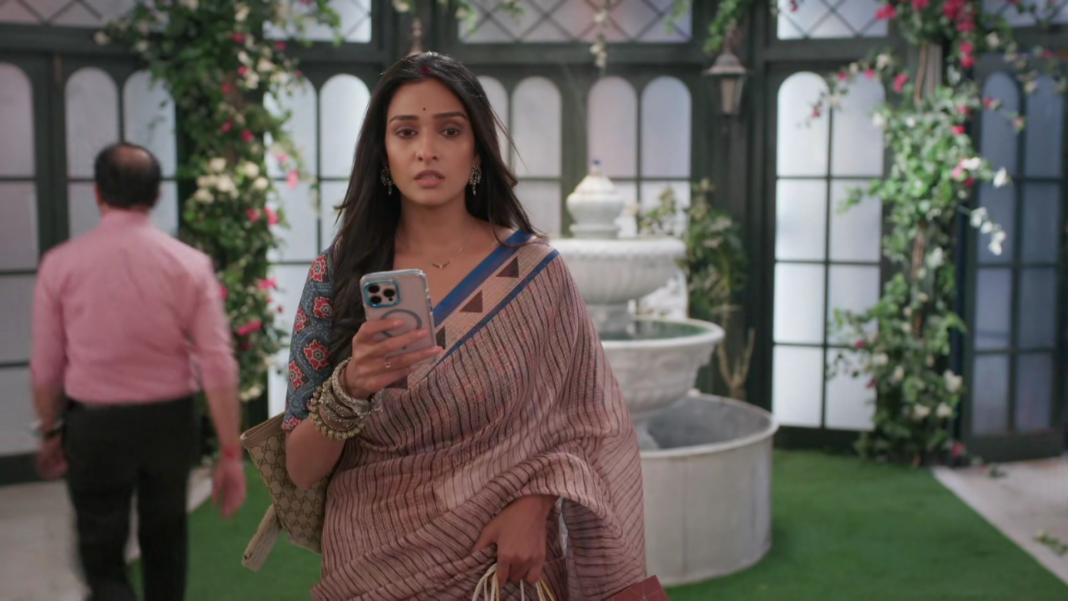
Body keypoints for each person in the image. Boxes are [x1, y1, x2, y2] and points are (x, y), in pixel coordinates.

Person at [282, 52, 646, 600]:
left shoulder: (533, 273)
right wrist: (350, 387)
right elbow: (300, 469)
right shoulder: (335, 278)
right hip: (370, 567)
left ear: (476, 149)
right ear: (383, 152)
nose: (426, 150)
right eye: (406, 132)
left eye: (449, 131)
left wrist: (536, 501)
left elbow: (590, 423)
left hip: (497, 569)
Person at [30, 143, 247, 601]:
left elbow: (47, 365)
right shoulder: (189, 265)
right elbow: (218, 362)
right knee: (166, 544)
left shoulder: (60, 265)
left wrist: (49, 430)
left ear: (97, 193)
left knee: (102, 555)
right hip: (168, 424)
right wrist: (230, 451)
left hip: (94, 426)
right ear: (156, 196)